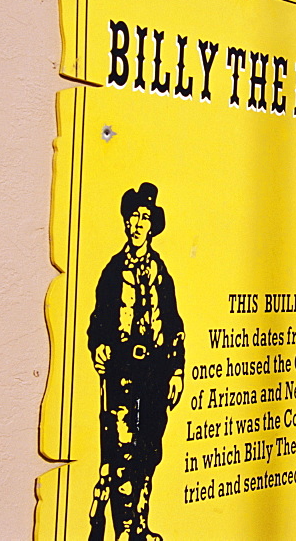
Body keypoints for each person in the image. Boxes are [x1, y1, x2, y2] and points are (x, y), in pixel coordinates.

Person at [87, 182, 185, 541]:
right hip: (124, 373)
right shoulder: (113, 273)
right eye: (133, 217)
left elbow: (175, 327)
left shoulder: (162, 275)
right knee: (123, 453)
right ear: (126, 223)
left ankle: (139, 526)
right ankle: (124, 531)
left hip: (155, 375)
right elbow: (97, 323)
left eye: (145, 218)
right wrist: (99, 346)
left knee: (149, 453)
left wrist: (175, 372)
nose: (138, 224)